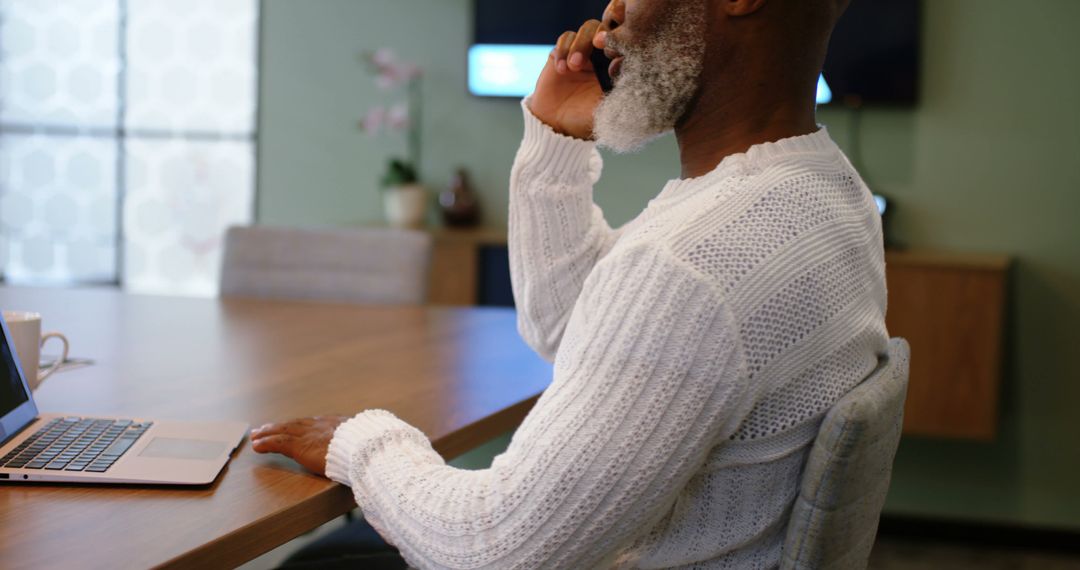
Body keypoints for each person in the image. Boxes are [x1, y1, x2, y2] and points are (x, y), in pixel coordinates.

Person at [252, 0, 887, 567]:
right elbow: (574, 330)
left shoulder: (695, 263)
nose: (612, 11)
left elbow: (494, 548)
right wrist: (555, 139)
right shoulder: (828, 195)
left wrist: (358, 443)